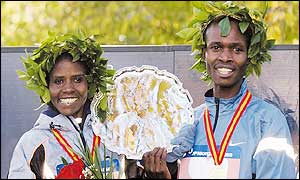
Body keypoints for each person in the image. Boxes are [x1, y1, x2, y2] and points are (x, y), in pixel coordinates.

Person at [141, 1, 297, 179]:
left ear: (249, 57)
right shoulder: (188, 121)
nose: (225, 57)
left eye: (237, 49)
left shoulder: (268, 121)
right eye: (216, 47)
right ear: (204, 54)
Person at [8, 32, 121, 178]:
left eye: (78, 79)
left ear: (90, 83)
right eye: (58, 81)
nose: (68, 89)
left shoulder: (114, 133)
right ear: (46, 86)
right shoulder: (32, 143)